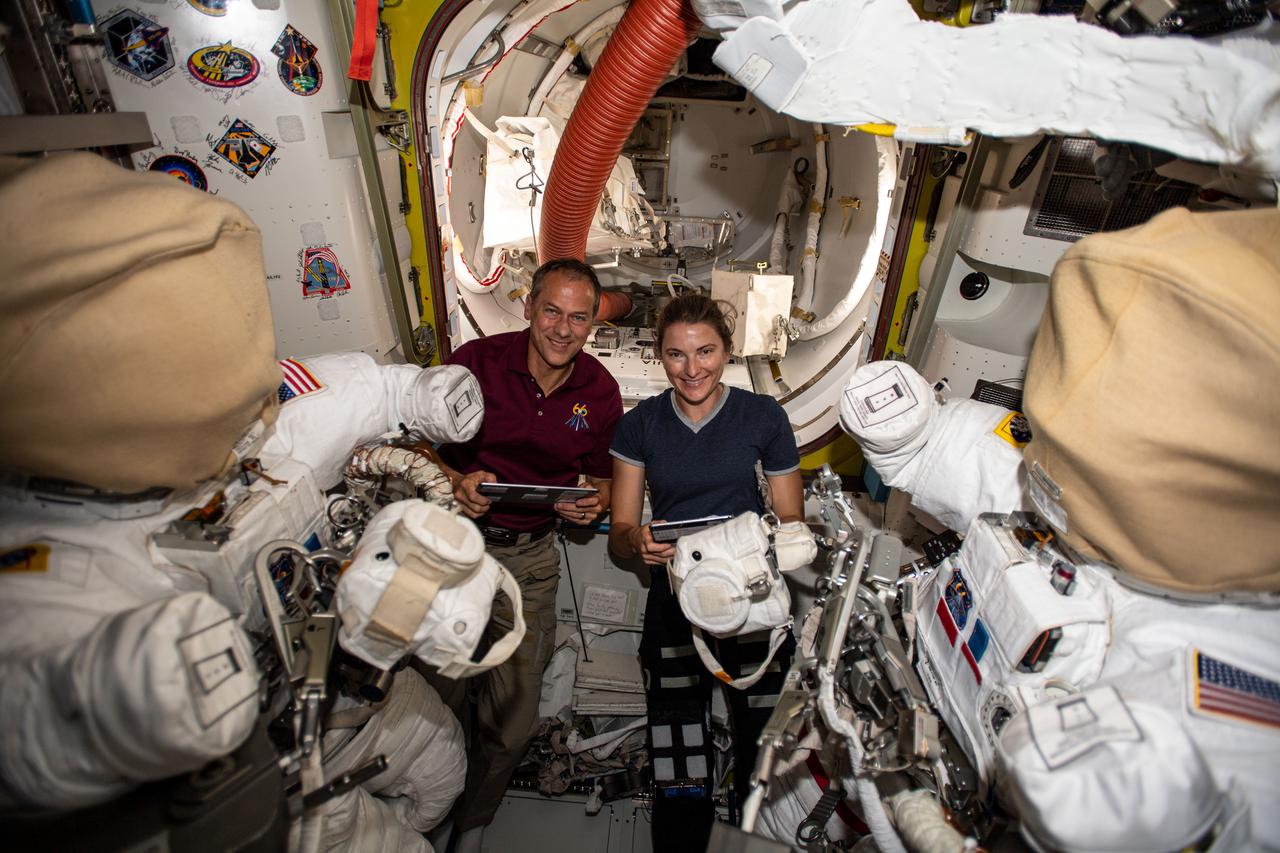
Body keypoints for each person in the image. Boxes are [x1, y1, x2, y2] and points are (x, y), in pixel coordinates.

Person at [0, 152, 506, 851]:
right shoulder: (53, 570)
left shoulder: (263, 423)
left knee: (444, 772)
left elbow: (370, 393)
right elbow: (26, 725)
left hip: (353, 692)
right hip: (281, 762)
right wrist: (116, 699)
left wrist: (421, 396)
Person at [433, 258, 623, 850]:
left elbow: (605, 484)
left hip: (531, 559)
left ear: (593, 324)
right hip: (452, 551)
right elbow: (414, 444)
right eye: (552, 311)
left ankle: (470, 826)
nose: (563, 329)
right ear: (527, 306)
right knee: (437, 701)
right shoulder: (474, 364)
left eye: (578, 318)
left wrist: (588, 505)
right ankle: (428, 811)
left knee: (512, 721)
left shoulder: (599, 390)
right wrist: (453, 480)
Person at [607, 293, 804, 852]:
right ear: (659, 356)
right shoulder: (639, 426)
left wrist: (761, 537)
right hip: (674, 604)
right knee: (677, 756)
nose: (693, 369)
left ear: (727, 351)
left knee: (765, 751)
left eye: (706, 352)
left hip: (753, 600)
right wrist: (637, 541)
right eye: (676, 355)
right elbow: (623, 531)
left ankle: (754, 841)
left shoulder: (763, 416)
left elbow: (791, 519)